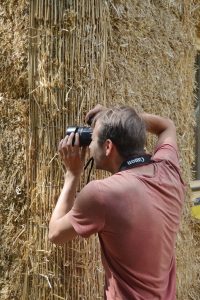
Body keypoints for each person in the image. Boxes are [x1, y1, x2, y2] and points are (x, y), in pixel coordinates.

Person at [49, 105, 185, 300]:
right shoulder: (168, 169)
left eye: (93, 140)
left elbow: (55, 234)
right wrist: (118, 119)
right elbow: (167, 126)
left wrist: (72, 175)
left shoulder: (103, 193)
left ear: (108, 147)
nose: (89, 145)